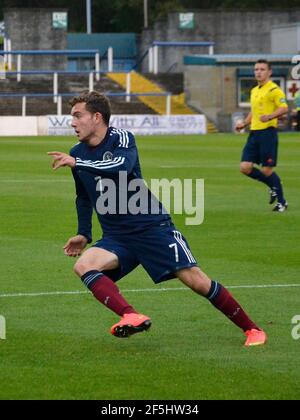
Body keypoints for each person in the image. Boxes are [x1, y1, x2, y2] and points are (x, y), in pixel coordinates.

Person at [48, 90, 267, 347]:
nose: (72, 122)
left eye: (77, 115)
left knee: (196, 281)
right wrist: (84, 233)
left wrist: (79, 163)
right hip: (117, 237)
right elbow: (83, 196)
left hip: (151, 227)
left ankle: (253, 330)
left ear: (97, 117)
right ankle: (131, 315)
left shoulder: (121, 138)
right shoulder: (77, 152)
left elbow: (120, 167)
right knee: (84, 265)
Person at [236, 59, 288, 212]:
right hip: (254, 133)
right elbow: (254, 111)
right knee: (245, 167)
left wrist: (271, 116)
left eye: (262, 69)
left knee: (267, 170)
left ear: (269, 72)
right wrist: (244, 123)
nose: (258, 72)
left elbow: (284, 108)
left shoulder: (274, 90)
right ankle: (272, 185)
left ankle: (282, 202)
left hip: (268, 133)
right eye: (256, 69)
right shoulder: (254, 90)